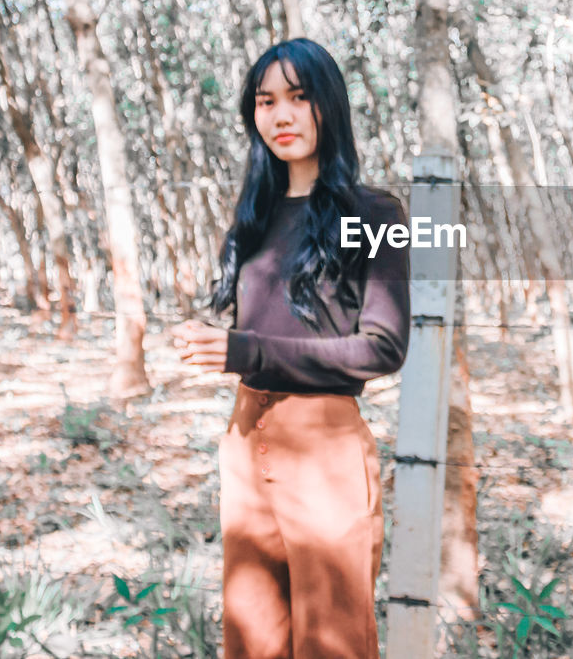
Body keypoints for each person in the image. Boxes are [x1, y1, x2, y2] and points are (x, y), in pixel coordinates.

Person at [171, 38, 411, 659]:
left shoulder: (373, 213)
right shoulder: (255, 217)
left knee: (334, 640)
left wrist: (243, 350)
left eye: (299, 99)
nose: (281, 116)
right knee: (252, 636)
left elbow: (382, 349)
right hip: (247, 442)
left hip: (325, 449)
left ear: (327, 106)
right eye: (266, 101)